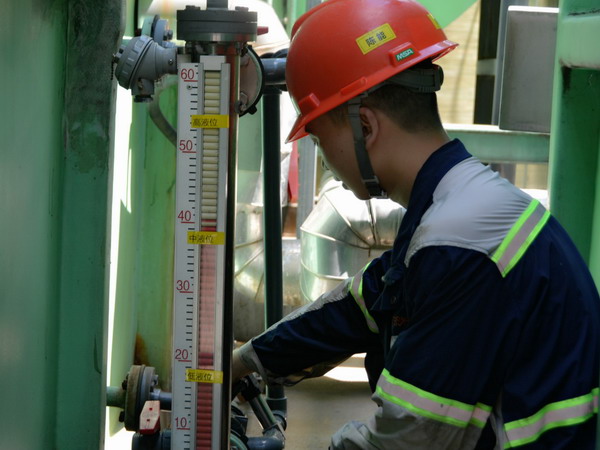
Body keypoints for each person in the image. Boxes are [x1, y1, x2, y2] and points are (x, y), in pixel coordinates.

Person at [232, 0, 600, 448]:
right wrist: (245, 362)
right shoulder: (454, 205)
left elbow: (410, 438)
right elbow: (361, 306)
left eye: (320, 138)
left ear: (364, 126)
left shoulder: (460, 242)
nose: (325, 160)